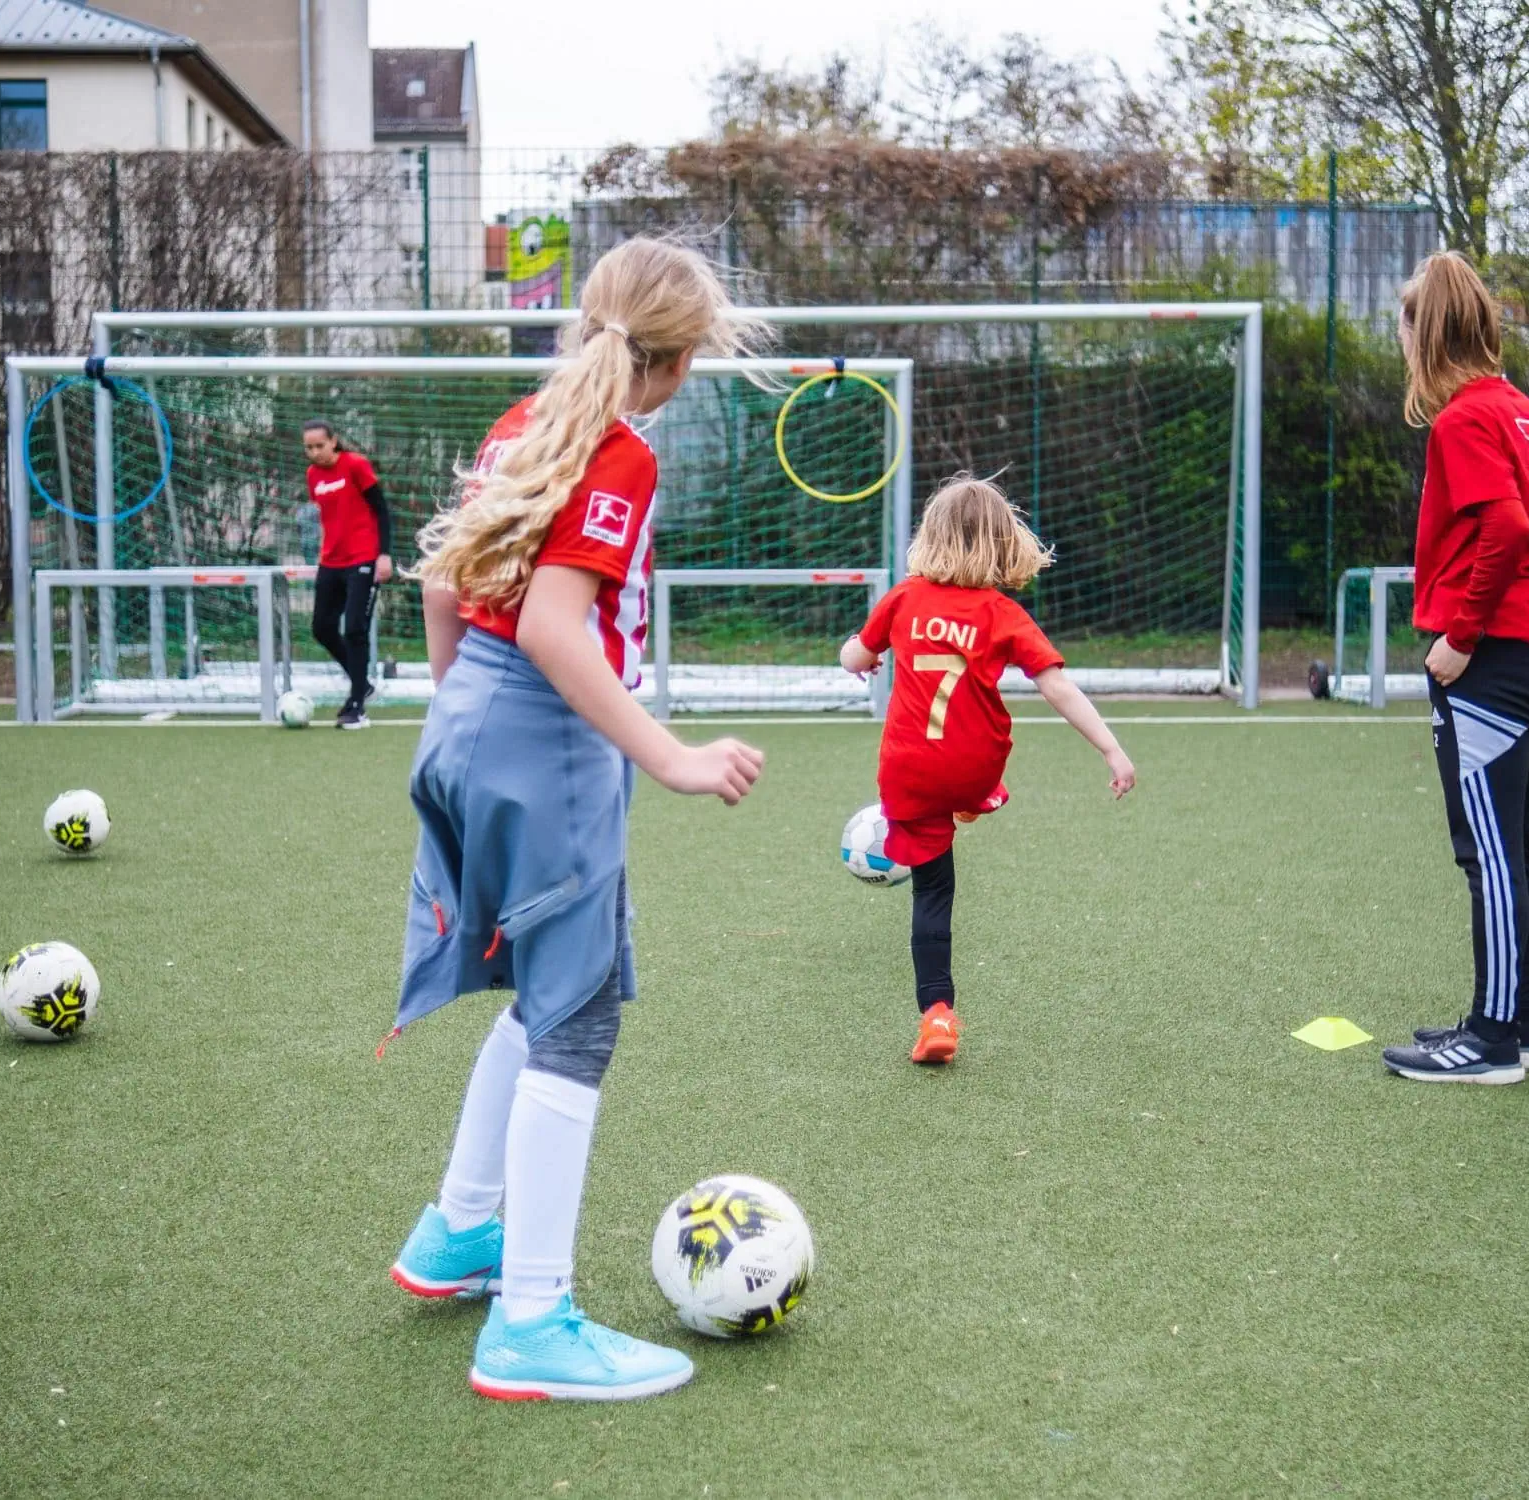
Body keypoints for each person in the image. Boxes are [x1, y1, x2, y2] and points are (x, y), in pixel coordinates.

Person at [383, 237, 767, 1403]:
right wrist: (672, 755)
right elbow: (557, 627)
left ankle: (459, 1233)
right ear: (682, 356)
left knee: (546, 990)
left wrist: (460, 704)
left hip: (470, 721)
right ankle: (532, 1323)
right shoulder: (618, 451)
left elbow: (446, 580)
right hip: (543, 741)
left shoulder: (524, 420)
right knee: (580, 1011)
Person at [1377, 251, 1529, 1085]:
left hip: (1496, 659)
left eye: (1403, 324)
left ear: (1426, 331)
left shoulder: (1466, 418)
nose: (1399, 340)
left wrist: (1465, 633)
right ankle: (1516, 1021)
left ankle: (1495, 1040)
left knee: (1491, 855)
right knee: (1527, 849)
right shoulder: (1526, 414)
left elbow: (1506, 526)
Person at [840, 476, 1137, 1065]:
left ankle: (937, 1016)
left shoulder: (902, 598)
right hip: (973, 767)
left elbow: (856, 654)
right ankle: (978, 799)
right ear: (1004, 544)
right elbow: (1055, 685)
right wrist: (1111, 748)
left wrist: (859, 654)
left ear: (929, 537)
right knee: (976, 765)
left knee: (932, 891)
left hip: (907, 772)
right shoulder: (1002, 612)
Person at [301, 420, 393, 729]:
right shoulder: (313, 475)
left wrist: (384, 554)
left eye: (320, 446)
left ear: (333, 442)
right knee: (321, 628)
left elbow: (381, 510)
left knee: (355, 629)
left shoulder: (356, 465)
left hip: (364, 558)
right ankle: (361, 682)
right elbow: (331, 517)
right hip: (331, 561)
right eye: (309, 447)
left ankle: (357, 705)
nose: (315, 452)